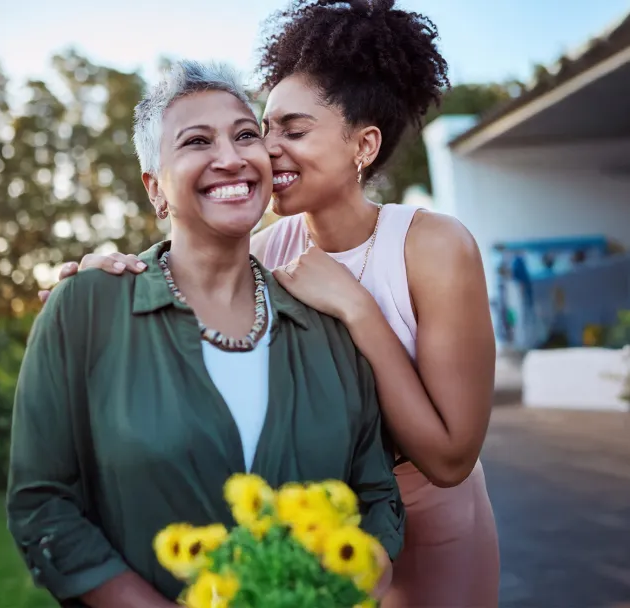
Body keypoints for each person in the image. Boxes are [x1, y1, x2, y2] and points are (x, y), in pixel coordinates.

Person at [39, 1, 500, 606]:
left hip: (436, 534)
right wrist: (102, 277)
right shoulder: (268, 249)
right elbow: (183, 267)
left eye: (295, 130)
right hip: (317, 527)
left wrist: (357, 310)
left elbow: (450, 457)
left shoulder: (433, 247)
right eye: (265, 128)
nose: (267, 149)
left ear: (363, 144)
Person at [7, 59, 404, 607]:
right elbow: (42, 504)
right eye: (197, 141)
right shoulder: (88, 308)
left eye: (246, 135)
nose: (230, 157)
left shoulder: (326, 322)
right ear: (155, 188)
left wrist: (343, 584)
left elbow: (378, 496)